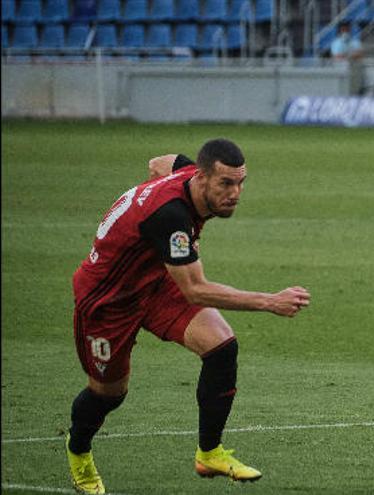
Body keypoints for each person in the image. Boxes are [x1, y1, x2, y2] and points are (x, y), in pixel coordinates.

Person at [65, 140, 312, 494]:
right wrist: (270, 301)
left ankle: (209, 452)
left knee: (221, 347)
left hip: (156, 284)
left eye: (241, 182)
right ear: (201, 177)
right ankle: (79, 453)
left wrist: (139, 209)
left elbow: (157, 162)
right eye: (225, 183)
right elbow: (196, 290)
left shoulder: (183, 171)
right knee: (109, 394)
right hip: (108, 301)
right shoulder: (171, 217)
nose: (235, 193)